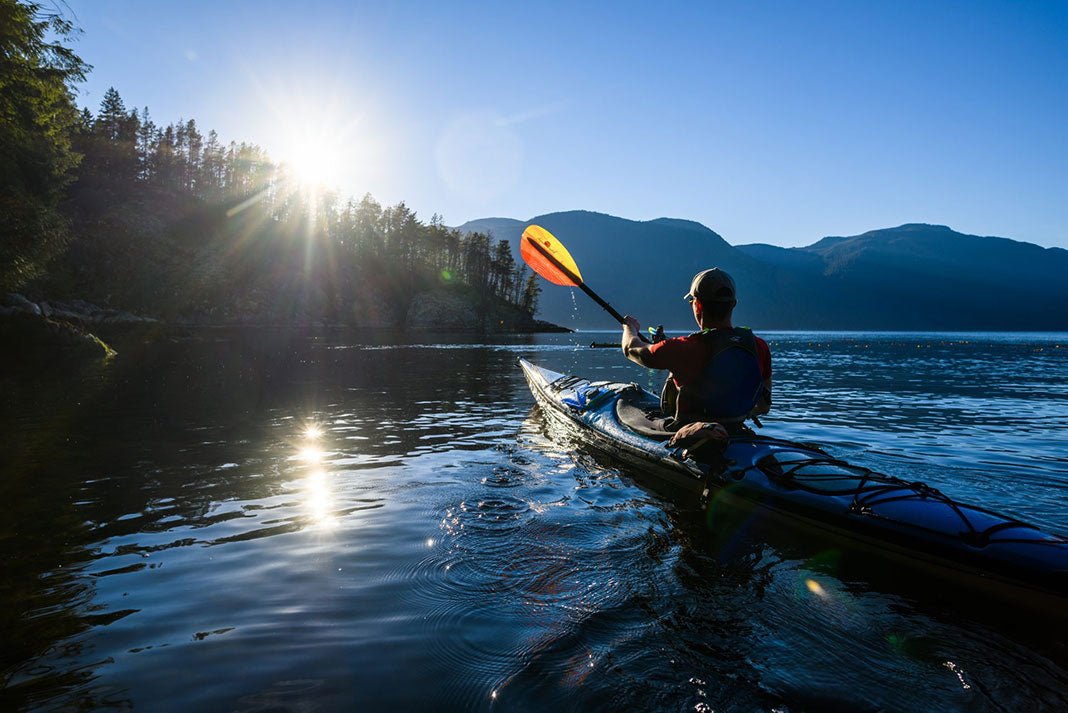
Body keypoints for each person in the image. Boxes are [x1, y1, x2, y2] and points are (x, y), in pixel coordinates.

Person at [620, 268, 772, 448]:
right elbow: (763, 406)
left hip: (691, 435)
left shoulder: (683, 347)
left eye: (692, 301)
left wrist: (629, 328)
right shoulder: (758, 346)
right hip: (737, 431)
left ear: (698, 305)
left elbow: (631, 349)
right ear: (733, 304)